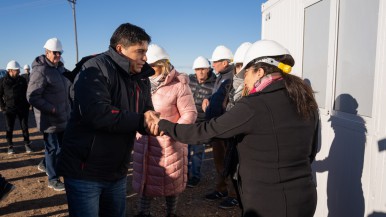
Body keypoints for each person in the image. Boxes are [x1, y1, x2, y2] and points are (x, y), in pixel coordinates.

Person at [148, 40, 319, 217]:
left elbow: (205, 133)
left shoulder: (253, 105)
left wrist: (162, 124)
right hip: (304, 197)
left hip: (268, 202)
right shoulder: (305, 100)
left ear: (259, 71)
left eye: (246, 73)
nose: (244, 79)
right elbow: (312, 151)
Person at [56, 23, 155, 217]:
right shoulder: (94, 68)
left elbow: (146, 111)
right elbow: (97, 114)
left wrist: (152, 119)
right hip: (85, 172)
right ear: (120, 49)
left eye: (146, 52)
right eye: (140, 51)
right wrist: (142, 121)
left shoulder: (141, 77)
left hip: (117, 171)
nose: (145, 58)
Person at [132, 44, 197, 217]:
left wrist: (172, 132)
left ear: (162, 65)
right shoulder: (139, 83)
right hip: (143, 142)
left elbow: (190, 113)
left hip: (169, 144)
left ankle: (171, 213)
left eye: (151, 66)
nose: (147, 69)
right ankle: (143, 213)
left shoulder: (179, 85)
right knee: (145, 183)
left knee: (171, 184)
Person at [27, 38, 71, 191]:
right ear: (47, 52)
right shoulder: (40, 71)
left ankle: (46, 164)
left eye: (60, 52)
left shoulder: (59, 69)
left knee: (62, 148)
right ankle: (53, 179)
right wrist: (51, 109)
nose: (58, 55)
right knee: (52, 149)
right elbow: (32, 96)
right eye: (55, 52)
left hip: (62, 117)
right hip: (50, 119)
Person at [201, 45, 239, 209]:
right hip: (216, 126)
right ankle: (222, 189)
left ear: (225, 62)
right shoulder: (221, 76)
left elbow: (230, 101)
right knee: (219, 162)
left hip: (225, 128)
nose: (213, 65)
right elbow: (219, 95)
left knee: (229, 162)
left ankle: (233, 195)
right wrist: (209, 99)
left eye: (215, 61)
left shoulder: (231, 76)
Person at [186, 56, 216, 188]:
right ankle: (184, 175)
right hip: (187, 122)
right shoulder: (189, 80)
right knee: (184, 151)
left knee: (198, 152)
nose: (201, 72)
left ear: (208, 69)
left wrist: (209, 99)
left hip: (201, 123)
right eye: (198, 69)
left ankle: (195, 176)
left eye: (203, 69)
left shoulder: (215, 83)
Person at [0, 60, 32, 154]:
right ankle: (10, 146)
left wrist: (27, 105)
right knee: (9, 128)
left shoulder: (22, 80)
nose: (18, 71)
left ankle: (27, 144)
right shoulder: (3, 81)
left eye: (18, 70)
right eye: (16, 70)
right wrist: (3, 107)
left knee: (24, 127)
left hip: (22, 108)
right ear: (10, 70)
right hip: (9, 109)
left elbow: (27, 92)